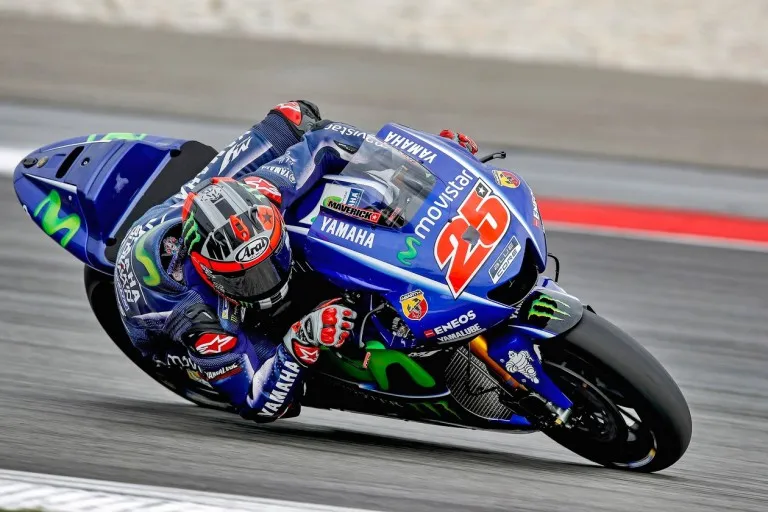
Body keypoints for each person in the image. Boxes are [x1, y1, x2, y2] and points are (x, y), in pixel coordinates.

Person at [114, 100, 479, 422]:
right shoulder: (197, 316)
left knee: (298, 117)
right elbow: (258, 405)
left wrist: (424, 170)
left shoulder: (266, 190)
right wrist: (300, 340)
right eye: (246, 278)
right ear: (211, 273)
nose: (268, 280)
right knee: (288, 395)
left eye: (270, 260)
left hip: (196, 202)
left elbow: (327, 140)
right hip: (163, 315)